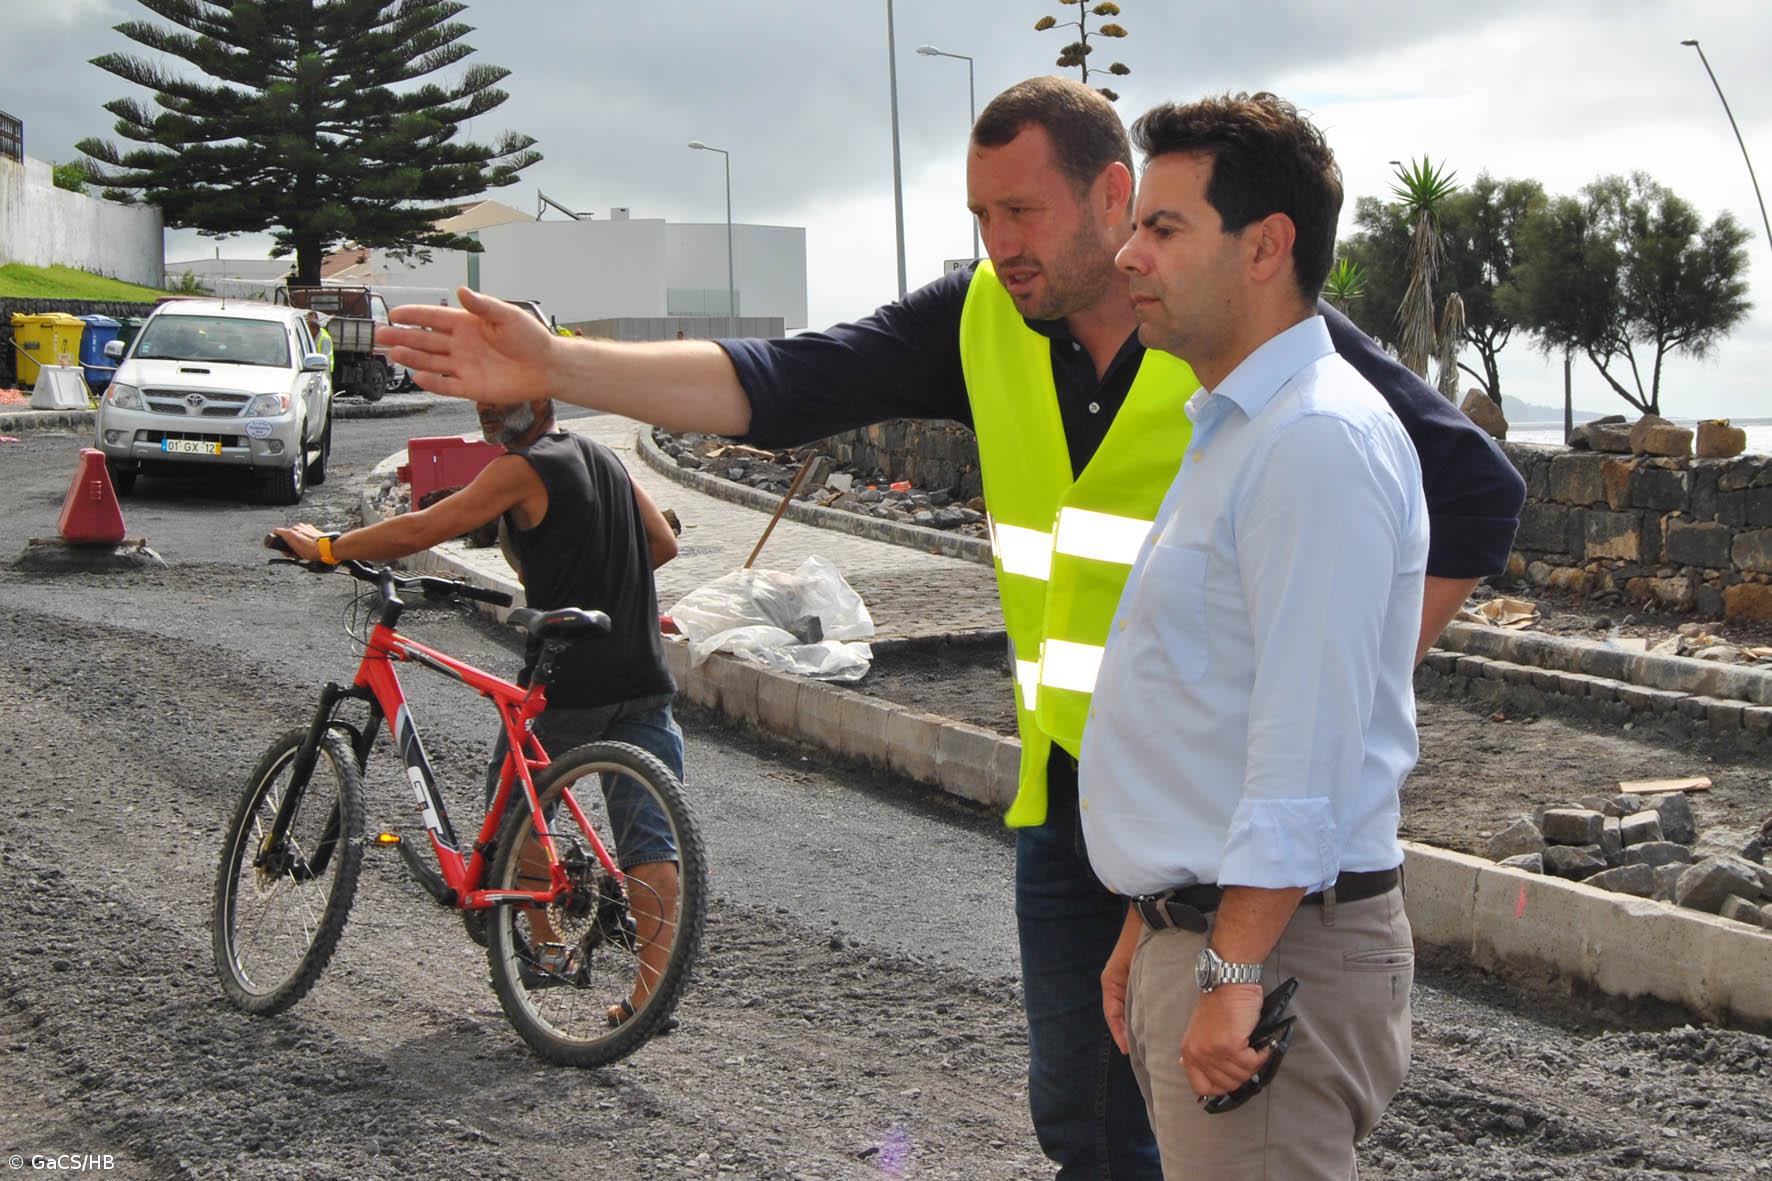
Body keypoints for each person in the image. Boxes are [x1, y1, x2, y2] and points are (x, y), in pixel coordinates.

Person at [378, 77, 1524, 1178]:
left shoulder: (1262, 357)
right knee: (1082, 1115)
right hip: (1079, 801)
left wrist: (1322, 707)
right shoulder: (983, 320)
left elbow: (1475, 492)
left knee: (1199, 1125)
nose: (998, 243)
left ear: (1116, 198)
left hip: (1232, 823)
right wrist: (563, 364)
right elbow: (779, 382)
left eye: (1022, 210)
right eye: (979, 215)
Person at [1086, 92, 1423, 1179]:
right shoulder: (1240, 427)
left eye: (1164, 228)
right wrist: (1152, 918)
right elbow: (1210, 703)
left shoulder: (1311, 440)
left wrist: (1228, 967)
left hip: (1272, 952)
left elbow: (1303, 741)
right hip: (1218, 929)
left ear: (1265, 246)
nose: (1129, 253)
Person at [272, 398, 685, 1029]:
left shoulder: (522, 469)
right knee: (652, 839)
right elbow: (661, 543)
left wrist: (329, 547)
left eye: (502, 398)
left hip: (571, 685)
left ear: (540, 400)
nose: (490, 409)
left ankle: (545, 949)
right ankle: (650, 999)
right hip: (645, 674)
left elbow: (419, 530)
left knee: (517, 809)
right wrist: (596, 581)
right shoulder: (606, 458)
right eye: (485, 400)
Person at [305, 311, 335, 387]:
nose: (307, 331)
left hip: (323, 371)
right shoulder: (313, 336)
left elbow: (324, 358)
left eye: (309, 328)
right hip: (315, 369)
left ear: (314, 329)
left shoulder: (324, 339)